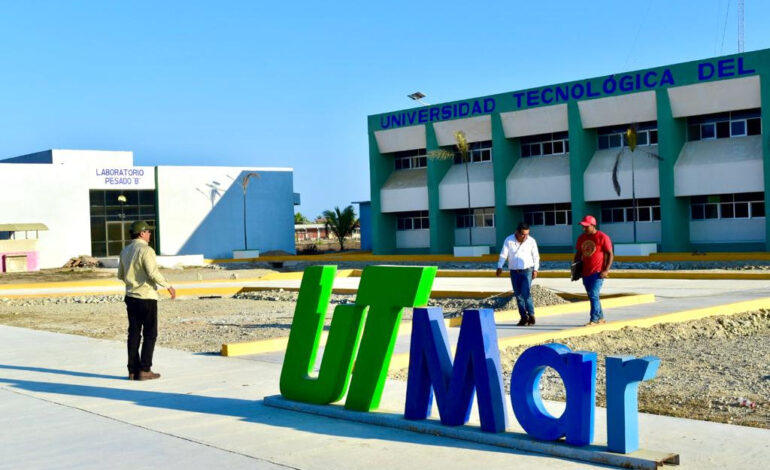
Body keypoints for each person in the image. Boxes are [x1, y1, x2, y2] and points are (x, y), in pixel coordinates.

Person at [117, 220, 176, 381]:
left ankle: (132, 370)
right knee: (150, 333)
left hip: (131, 297)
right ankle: (144, 369)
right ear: (141, 233)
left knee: (134, 333)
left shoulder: (125, 251)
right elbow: (152, 272)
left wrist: (132, 283)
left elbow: (120, 275)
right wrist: (168, 285)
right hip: (146, 297)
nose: (150, 234)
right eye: (148, 231)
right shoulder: (146, 250)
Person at [496, 222, 540, 326]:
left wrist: (536, 269)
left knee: (526, 293)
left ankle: (531, 315)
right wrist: (500, 266)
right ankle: (523, 318)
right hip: (514, 272)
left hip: (527, 271)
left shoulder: (531, 241)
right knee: (518, 296)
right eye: (522, 234)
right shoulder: (509, 240)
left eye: (527, 234)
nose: (525, 237)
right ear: (517, 232)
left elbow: (536, 256)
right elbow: (503, 254)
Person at [574, 215, 613, 326]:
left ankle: (594, 319)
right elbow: (578, 254)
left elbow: (610, 254)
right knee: (592, 295)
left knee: (593, 295)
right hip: (585, 272)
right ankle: (600, 318)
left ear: (593, 225)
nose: (584, 228)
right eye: (583, 226)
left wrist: (606, 270)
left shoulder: (602, 237)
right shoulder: (581, 238)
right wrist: (575, 268)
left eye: (586, 226)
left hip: (598, 272)